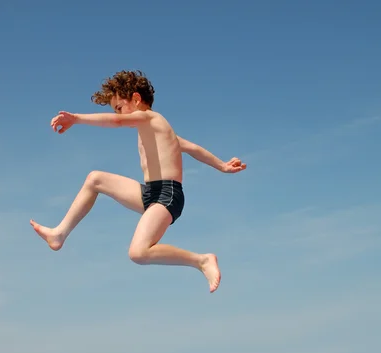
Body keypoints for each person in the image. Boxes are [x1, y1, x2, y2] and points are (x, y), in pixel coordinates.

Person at [30, 70, 246, 293]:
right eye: (116, 110)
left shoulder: (151, 118)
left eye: (120, 108)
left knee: (138, 252)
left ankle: (201, 260)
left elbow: (116, 122)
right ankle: (59, 234)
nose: (119, 114)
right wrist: (221, 165)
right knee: (95, 179)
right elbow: (193, 149)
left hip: (168, 194)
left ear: (136, 99)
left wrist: (76, 118)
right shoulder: (154, 130)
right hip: (150, 194)